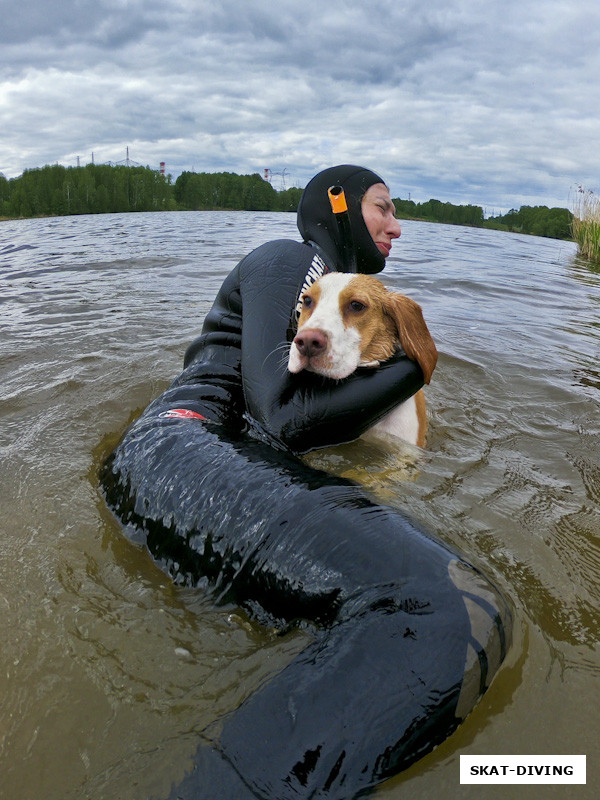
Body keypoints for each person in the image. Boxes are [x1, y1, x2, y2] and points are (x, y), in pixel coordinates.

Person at [101, 165, 511, 800]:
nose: (396, 225)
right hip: (179, 444)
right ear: (339, 206)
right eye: (382, 207)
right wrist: (417, 358)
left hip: (205, 461)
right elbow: (284, 419)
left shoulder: (330, 297)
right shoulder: (291, 259)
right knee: (446, 609)